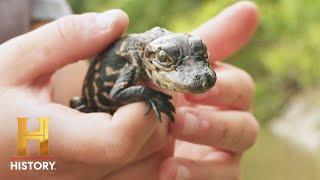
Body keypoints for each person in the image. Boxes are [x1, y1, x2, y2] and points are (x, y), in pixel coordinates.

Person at [0, 1, 260, 179]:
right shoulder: (133, 60)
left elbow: (57, 96)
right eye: (167, 59)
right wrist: (24, 160)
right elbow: (114, 95)